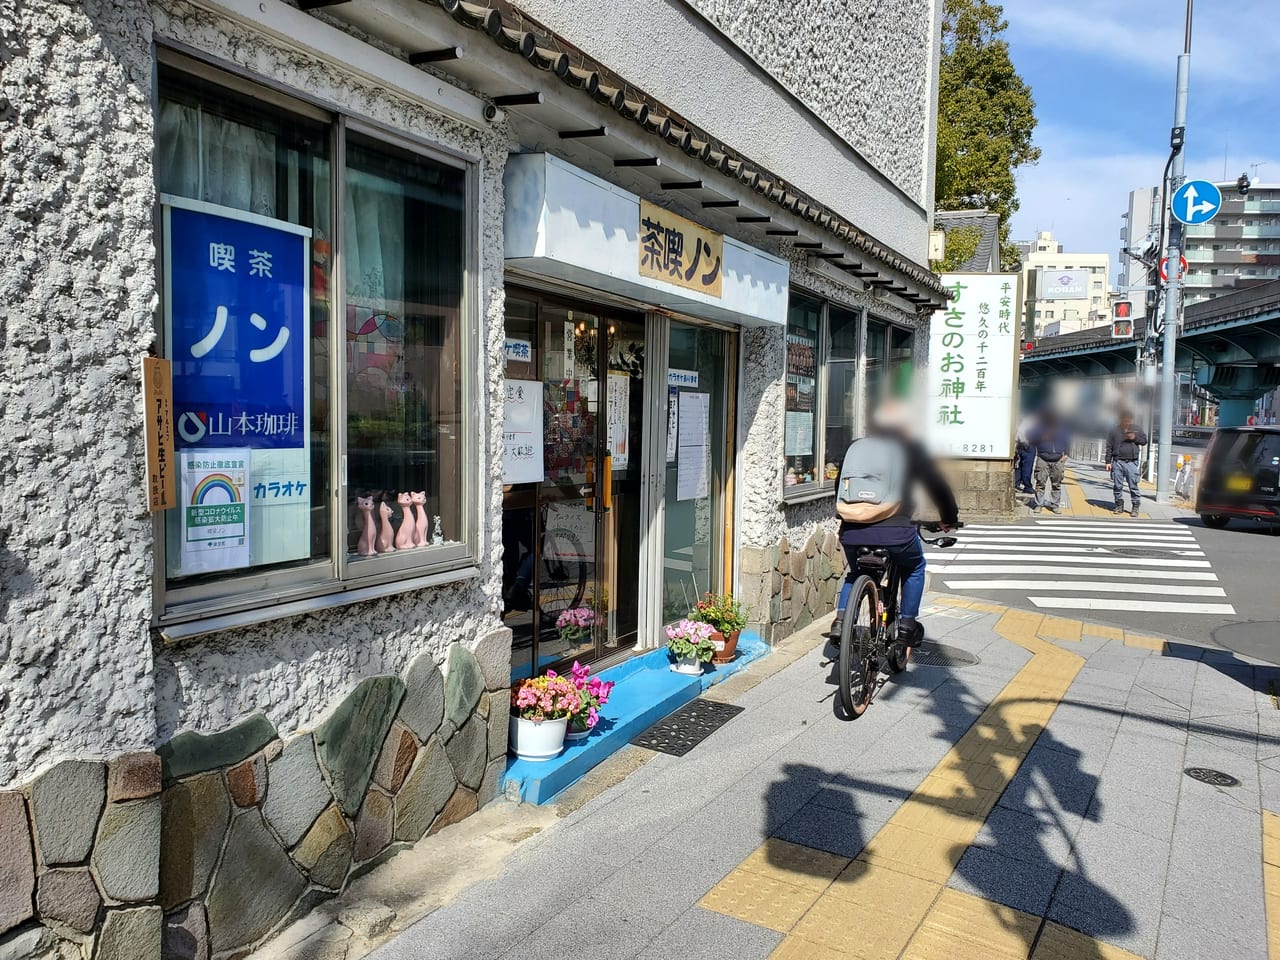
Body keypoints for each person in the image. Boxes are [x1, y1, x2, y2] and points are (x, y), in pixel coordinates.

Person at [832, 404, 959, 649]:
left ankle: (840, 620)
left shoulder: (855, 448)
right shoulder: (911, 450)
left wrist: (846, 519)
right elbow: (938, 486)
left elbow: (841, 487)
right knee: (914, 567)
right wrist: (948, 517)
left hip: (853, 530)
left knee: (856, 572)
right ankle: (907, 624)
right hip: (896, 531)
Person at [1027, 410, 1071, 513]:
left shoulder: (1062, 428)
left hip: (1058, 459)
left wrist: (1066, 454)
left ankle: (1055, 505)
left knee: (1056, 484)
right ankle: (1039, 504)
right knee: (1040, 483)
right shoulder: (1039, 428)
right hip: (1042, 458)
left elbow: (1068, 441)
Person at [1105, 411, 1148, 516]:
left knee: (1133, 485)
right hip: (1117, 461)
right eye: (1124, 420)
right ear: (1120, 420)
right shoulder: (1114, 431)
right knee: (1117, 485)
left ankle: (1135, 506)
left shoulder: (1136, 429)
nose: (1126, 422)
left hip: (1131, 462)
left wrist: (1135, 437)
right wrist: (1108, 461)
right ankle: (1119, 504)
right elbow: (1109, 446)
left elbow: (1144, 441)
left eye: (1128, 420)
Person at [1014, 411, 1038, 493]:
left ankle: (1016, 483)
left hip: (1022, 445)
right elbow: (1021, 431)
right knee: (1027, 467)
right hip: (1028, 445)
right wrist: (1025, 442)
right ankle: (1027, 486)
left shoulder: (1026, 420)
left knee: (1020, 465)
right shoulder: (1030, 421)